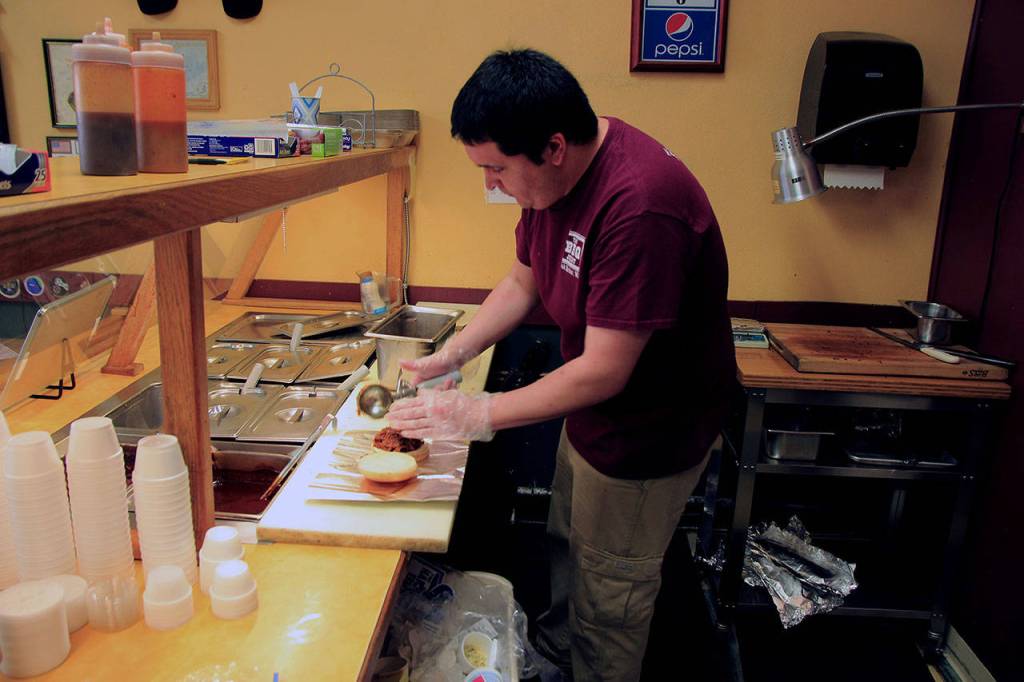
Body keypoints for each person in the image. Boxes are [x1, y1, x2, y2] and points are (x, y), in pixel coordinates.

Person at [387, 48, 736, 682]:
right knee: (567, 547)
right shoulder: (554, 180)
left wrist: (480, 412)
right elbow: (523, 282)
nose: (490, 185)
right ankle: (554, 658)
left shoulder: (640, 205)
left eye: (496, 169)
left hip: (648, 436)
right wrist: (455, 352)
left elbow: (605, 370)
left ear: (553, 147)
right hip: (593, 417)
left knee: (610, 599)